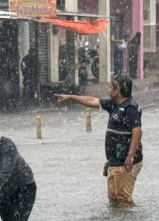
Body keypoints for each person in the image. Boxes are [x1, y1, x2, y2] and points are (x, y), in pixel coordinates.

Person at [54, 74, 143, 208]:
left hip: (126, 162)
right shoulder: (114, 105)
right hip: (115, 161)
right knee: (114, 199)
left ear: (118, 90)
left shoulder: (130, 108)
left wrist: (130, 156)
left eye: (110, 87)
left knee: (124, 200)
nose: (108, 90)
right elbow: (91, 100)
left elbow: (137, 132)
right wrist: (71, 97)